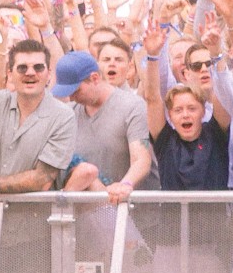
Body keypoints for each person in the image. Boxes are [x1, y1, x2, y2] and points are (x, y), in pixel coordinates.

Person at [0, 39, 76, 202]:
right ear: (10, 74)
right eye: (22, 67)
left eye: (38, 67)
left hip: (37, 215)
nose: (30, 73)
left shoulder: (63, 116)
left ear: (49, 74)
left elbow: (42, 179)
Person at [55, 50, 157, 203]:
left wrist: (125, 185)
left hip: (132, 210)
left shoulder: (132, 106)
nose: (71, 97)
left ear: (95, 78)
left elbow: (141, 159)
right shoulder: (70, 113)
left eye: (76, 91)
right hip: (89, 211)